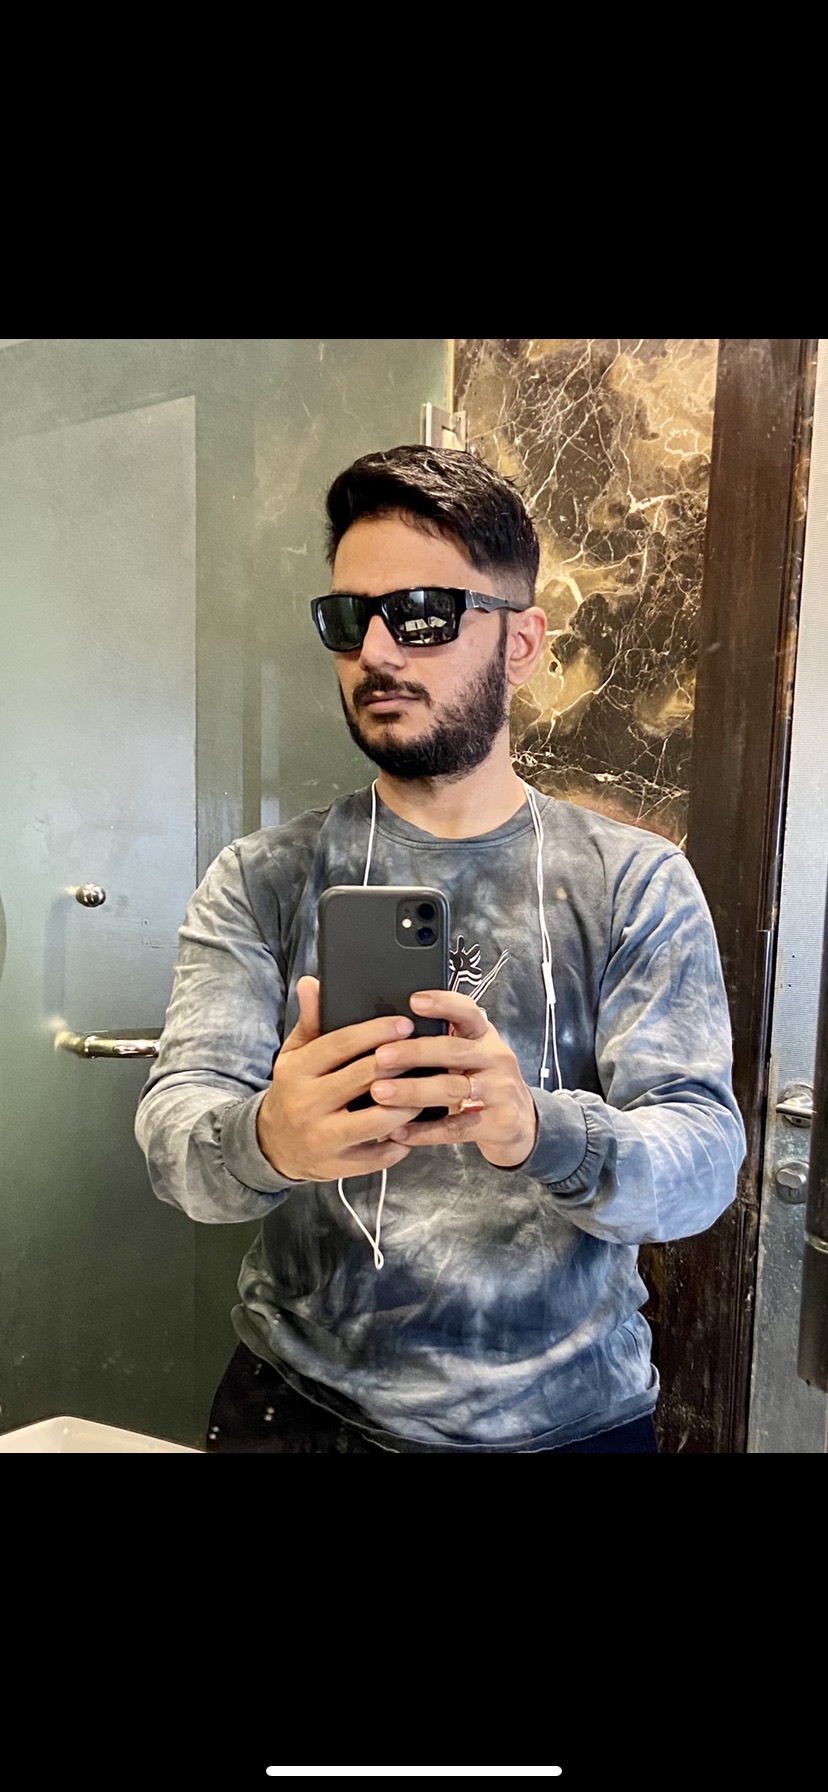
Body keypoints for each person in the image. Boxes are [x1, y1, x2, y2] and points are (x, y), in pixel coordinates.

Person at [135, 444, 746, 1453]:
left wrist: (539, 1129)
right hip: (298, 1413)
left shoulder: (634, 881)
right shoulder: (262, 877)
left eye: (423, 614)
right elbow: (175, 1139)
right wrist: (267, 1138)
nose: (377, 650)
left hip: (566, 1422)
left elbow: (705, 1162)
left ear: (523, 641)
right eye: (349, 619)